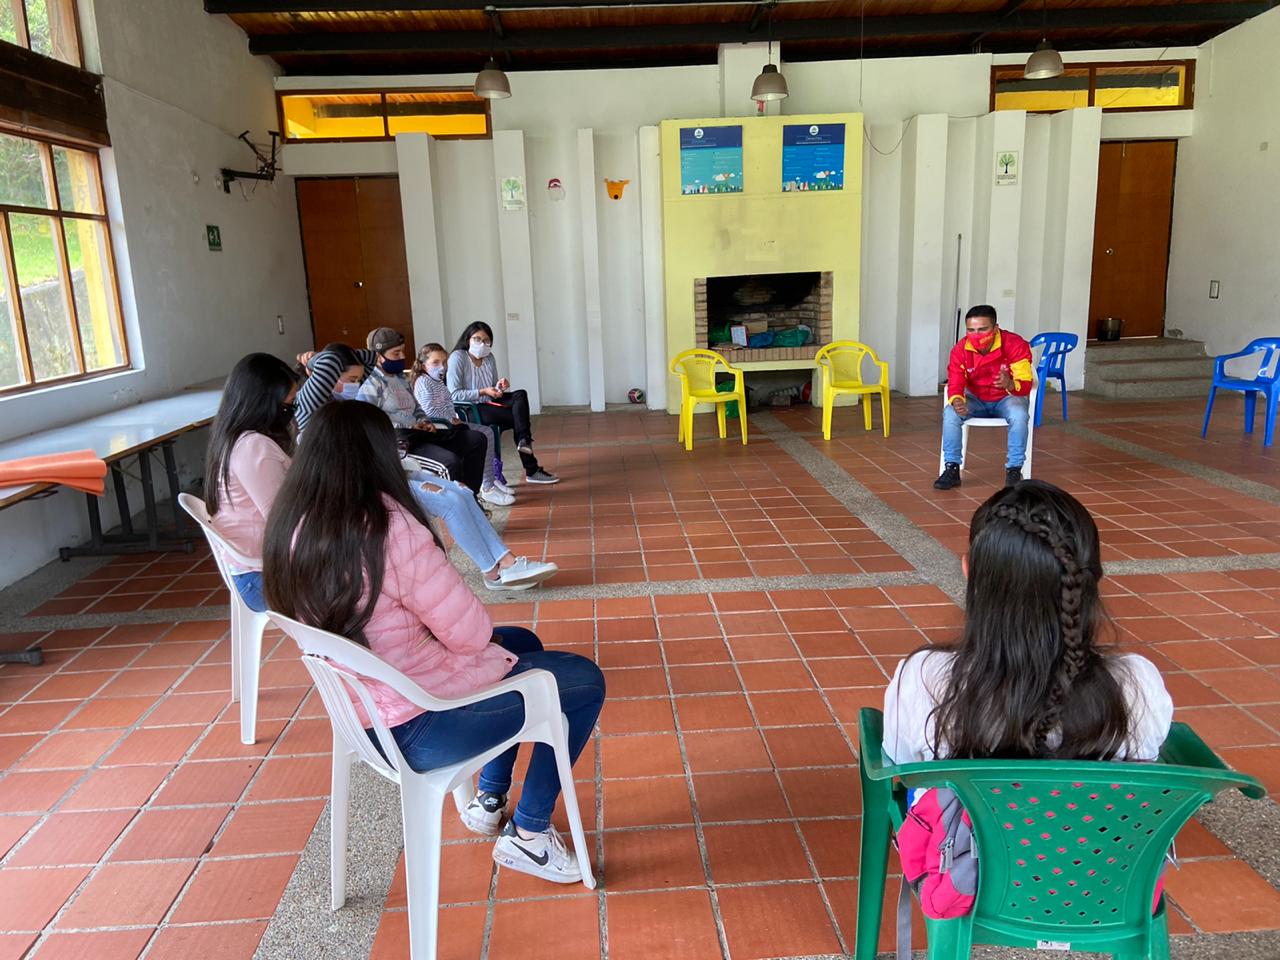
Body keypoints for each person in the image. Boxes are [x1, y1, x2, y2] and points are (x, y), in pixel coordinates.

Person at [261, 401, 604, 882]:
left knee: (522, 640)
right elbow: (471, 636)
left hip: (369, 712)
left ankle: (490, 798)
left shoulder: (291, 527)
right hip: (421, 725)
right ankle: (529, 834)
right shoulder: (386, 525)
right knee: (583, 681)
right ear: (376, 455)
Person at [884, 480, 1172, 766]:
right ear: (1091, 579)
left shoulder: (924, 679)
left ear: (968, 571)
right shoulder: (1138, 686)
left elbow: (901, 766)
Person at [203, 353, 299, 612]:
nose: (291, 413)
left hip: (255, 570)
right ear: (264, 403)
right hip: (260, 579)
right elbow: (283, 520)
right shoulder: (253, 447)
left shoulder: (235, 437)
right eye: (288, 405)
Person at [358, 327, 488, 497]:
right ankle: (455, 513)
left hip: (419, 434)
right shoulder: (371, 384)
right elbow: (367, 423)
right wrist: (407, 425)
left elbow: (417, 408)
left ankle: (471, 499)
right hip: (400, 443)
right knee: (449, 463)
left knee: (476, 439)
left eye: (402, 352)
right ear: (378, 356)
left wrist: (424, 421)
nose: (403, 357)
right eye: (396, 353)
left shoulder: (400, 378)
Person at [935, 305, 1034, 491]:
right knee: (950, 414)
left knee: (1019, 415)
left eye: (982, 329)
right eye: (971, 330)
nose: (976, 335)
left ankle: (1014, 469)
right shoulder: (960, 349)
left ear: (996, 327)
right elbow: (955, 381)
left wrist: (1010, 384)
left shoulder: (1015, 344)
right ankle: (952, 468)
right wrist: (957, 400)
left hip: (1008, 397)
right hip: (976, 398)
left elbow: (1026, 383)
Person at [448, 321, 559, 485]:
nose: (482, 344)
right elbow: (454, 394)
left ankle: (524, 442)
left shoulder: (489, 357)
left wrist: (499, 386)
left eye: (486, 341)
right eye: (477, 339)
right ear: (468, 339)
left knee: (520, 395)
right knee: (519, 418)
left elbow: (492, 386)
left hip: (489, 402)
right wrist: (483, 391)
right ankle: (531, 467)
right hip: (471, 409)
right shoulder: (458, 357)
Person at [412, 342, 514, 507]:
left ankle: (489, 481)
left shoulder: (437, 381)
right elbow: (428, 412)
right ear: (423, 366)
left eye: (444, 362)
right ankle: (487, 487)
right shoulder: (423, 383)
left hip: (450, 423)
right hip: (440, 428)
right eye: (435, 363)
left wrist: (453, 417)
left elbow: (448, 403)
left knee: (487, 432)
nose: (442, 367)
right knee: (483, 435)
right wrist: (450, 420)